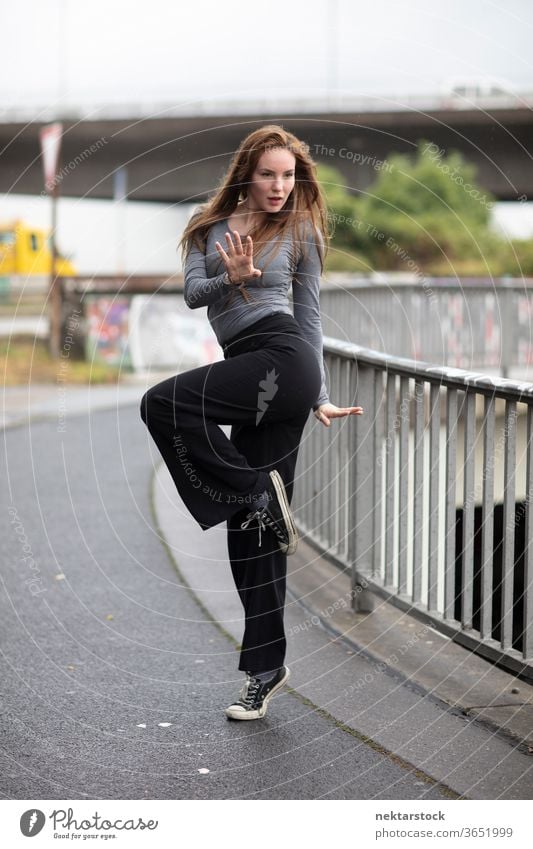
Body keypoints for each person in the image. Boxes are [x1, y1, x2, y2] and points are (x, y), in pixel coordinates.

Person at [140, 124, 363, 721]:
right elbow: (193, 295)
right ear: (246, 173)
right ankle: (265, 669)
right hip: (248, 363)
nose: (280, 185)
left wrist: (318, 394)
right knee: (252, 530)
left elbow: (310, 318)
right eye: (269, 173)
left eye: (289, 175)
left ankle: (256, 489)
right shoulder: (205, 231)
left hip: (285, 360)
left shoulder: (300, 232)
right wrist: (230, 278)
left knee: (161, 403)